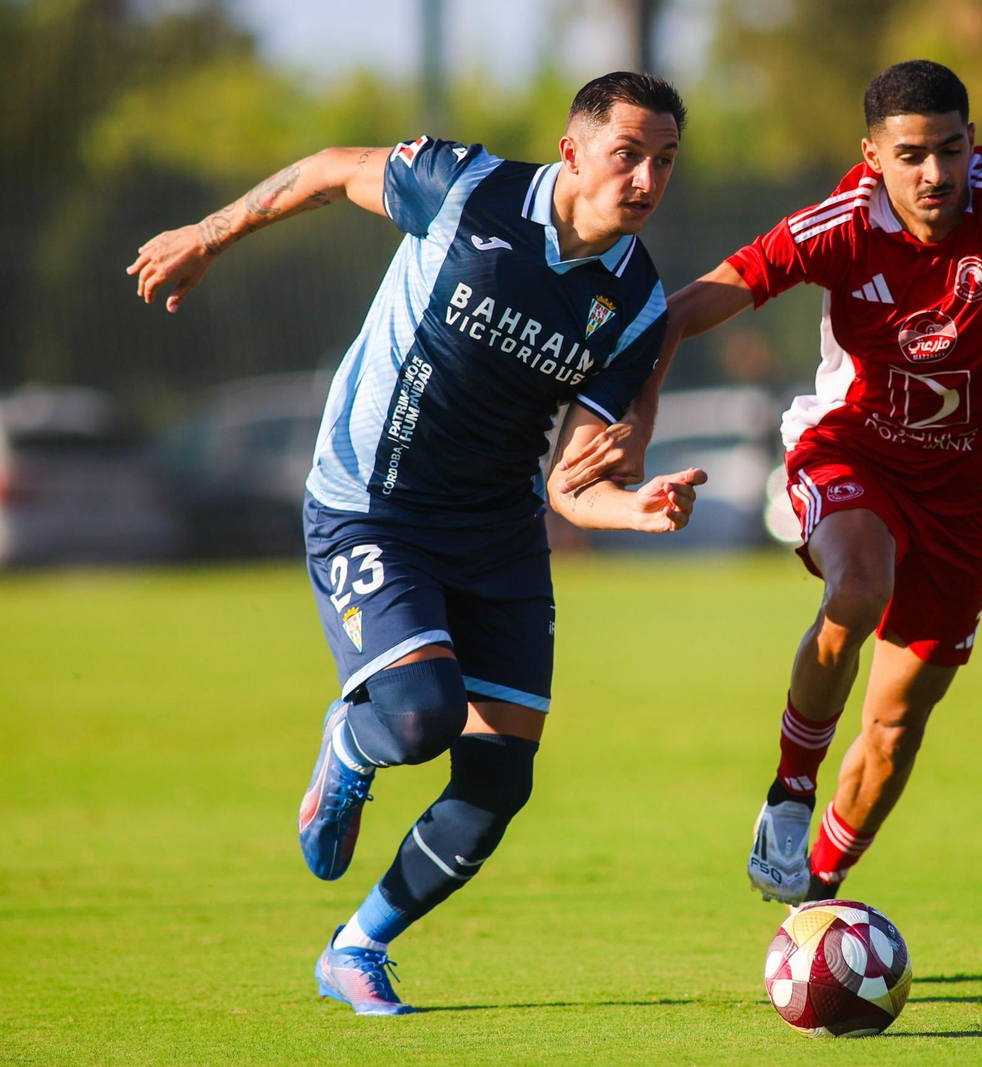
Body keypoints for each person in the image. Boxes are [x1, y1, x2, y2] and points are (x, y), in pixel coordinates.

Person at [127, 72, 705, 1013]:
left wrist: (635, 510)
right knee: (417, 715)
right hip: (371, 505)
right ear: (573, 149)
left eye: (665, 161)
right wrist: (207, 234)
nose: (645, 178)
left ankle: (356, 947)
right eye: (627, 154)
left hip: (500, 534)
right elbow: (324, 170)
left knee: (498, 781)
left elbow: (574, 481)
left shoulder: (636, 306)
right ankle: (351, 747)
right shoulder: (466, 188)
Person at [561, 59, 982, 905]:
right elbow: (686, 308)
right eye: (914, 154)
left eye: (953, 149)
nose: (938, 174)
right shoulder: (842, 221)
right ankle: (790, 792)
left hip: (969, 494)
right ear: (872, 155)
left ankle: (815, 893)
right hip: (851, 448)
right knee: (859, 584)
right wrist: (636, 415)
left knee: (894, 730)